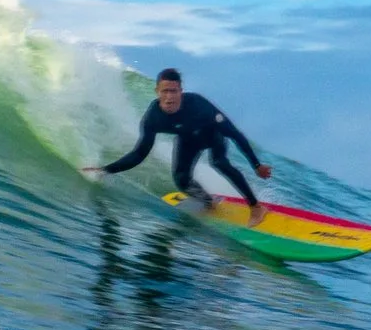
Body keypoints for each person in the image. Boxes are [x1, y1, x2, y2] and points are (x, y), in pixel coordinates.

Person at [83, 69, 275, 224]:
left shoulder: (199, 106)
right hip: (187, 140)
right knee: (181, 180)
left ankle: (256, 207)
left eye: (174, 91)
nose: (169, 97)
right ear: (157, 91)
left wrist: (256, 165)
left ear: (180, 91)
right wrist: (106, 170)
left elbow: (234, 134)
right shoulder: (153, 118)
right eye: (164, 91)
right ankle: (209, 203)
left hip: (211, 136)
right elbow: (139, 153)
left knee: (219, 162)